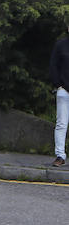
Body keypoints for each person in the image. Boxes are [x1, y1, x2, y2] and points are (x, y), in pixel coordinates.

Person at [50, 26, 69, 167]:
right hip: (64, 90)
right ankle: (60, 155)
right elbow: (53, 65)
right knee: (61, 124)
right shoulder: (60, 44)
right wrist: (58, 84)